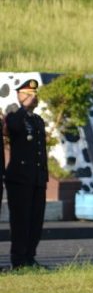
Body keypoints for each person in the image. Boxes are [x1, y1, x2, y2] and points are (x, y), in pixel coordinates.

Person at [5, 79, 49, 270]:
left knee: (35, 221)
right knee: (21, 220)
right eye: (28, 94)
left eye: (35, 95)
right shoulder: (16, 117)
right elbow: (12, 128)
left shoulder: (37, 120)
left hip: (37, 178)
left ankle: (30, 257)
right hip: (20, 178)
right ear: (19, 96)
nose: (33, 98)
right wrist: (22, 108)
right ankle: (19, 260)